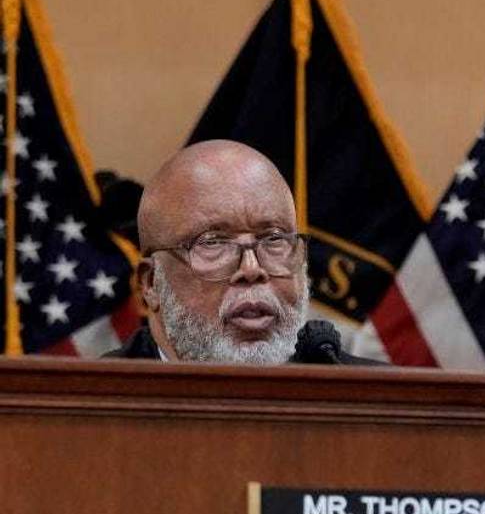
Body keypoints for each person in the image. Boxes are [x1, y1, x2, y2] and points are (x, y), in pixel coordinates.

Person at [107, 140, 373, 365]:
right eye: (213, 243)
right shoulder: (84, 408)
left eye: (274, 239)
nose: (251, 269)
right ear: (151, 283)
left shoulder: (377, 403)